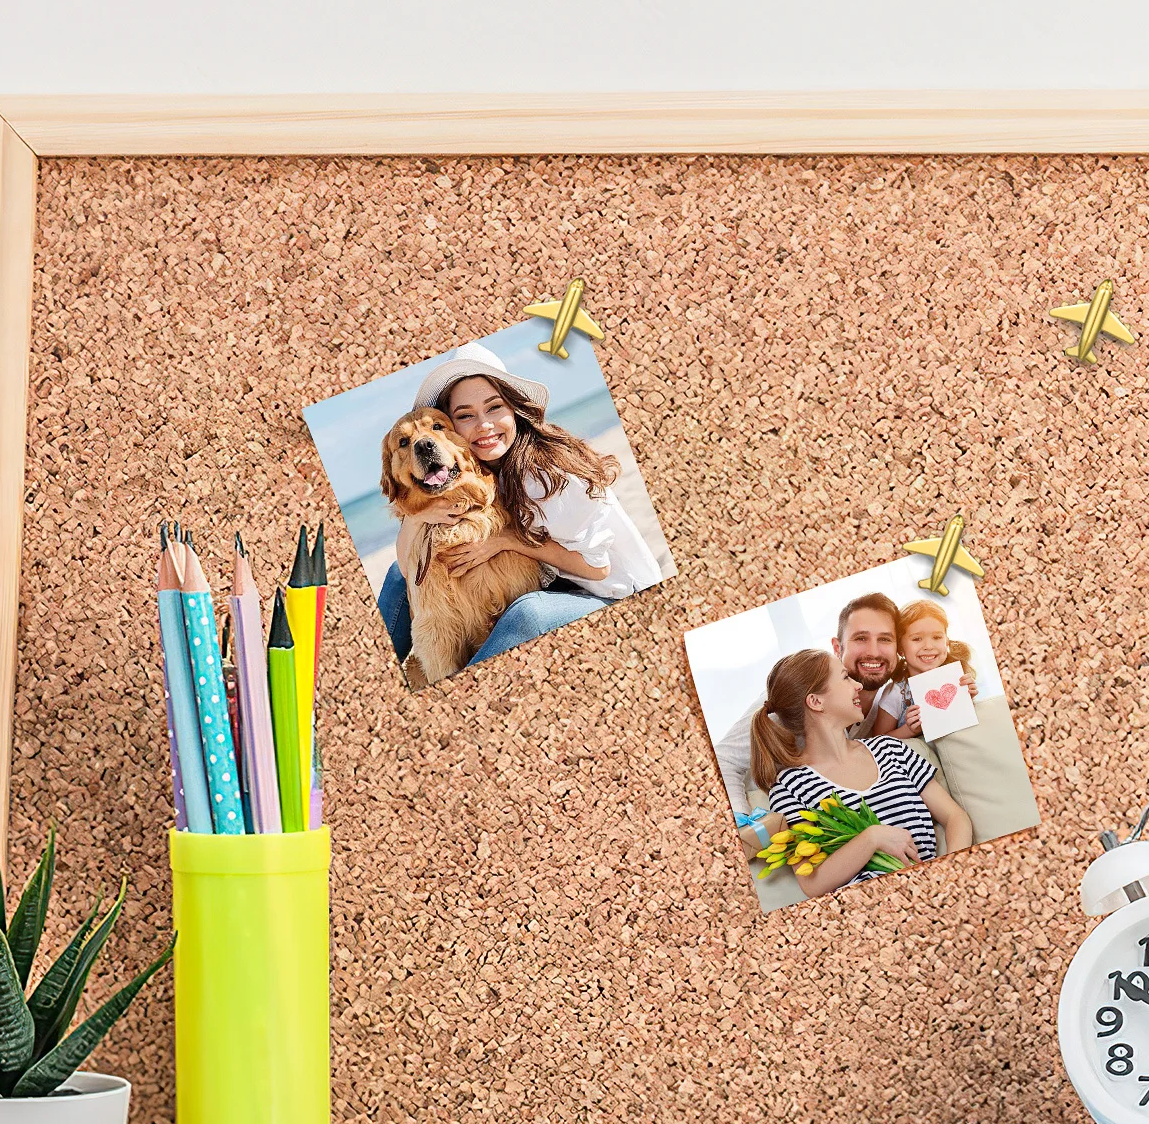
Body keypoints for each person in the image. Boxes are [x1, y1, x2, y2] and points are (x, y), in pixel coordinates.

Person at [376, 346, 661, 662]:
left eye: (494, 407)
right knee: (395, 575)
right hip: (564, 584)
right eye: (466, 416)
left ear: (515, 409)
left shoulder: (547, 476)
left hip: (612, 593)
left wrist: (506, 541)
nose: (483, 426)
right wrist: (417, 518)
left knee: (527, 613)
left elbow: (598, 568)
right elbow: (406, 569)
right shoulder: (488, 469)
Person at [739, 648, 971, 897]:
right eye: (845, 678)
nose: (858, 685)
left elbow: (955, 817)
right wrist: (872, 838)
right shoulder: (789, 786)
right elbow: (812, 883)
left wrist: (949, 876)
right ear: (816, 701)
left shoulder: (890, 749)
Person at [713, 593, 904, 815]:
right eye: (861, 638)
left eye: (885, 639)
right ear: (838, 647)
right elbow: (723, 761)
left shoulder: (892, 702)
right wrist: (745, 825)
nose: (873, 651)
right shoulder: (794, 694)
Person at [870, 598, 979, 736]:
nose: (928, 646)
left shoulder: (956, 679)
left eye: (937, 637)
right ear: (900, 648)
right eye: (917, 639)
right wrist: (908, 730)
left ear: (946, 641)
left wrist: (969, 697)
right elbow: (878, 740)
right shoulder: (896, 693)